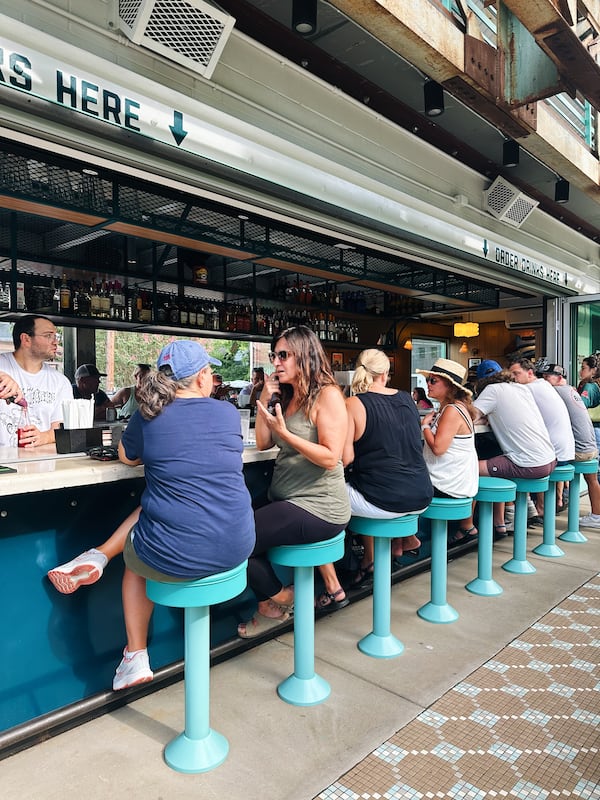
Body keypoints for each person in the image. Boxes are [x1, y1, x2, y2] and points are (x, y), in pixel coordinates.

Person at [109, 340, 255, 690]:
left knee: (134, 557)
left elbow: (127, 458)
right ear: (202, 377)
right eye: (211, 373)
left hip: (179, 556)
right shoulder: (226, 413)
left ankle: (136, 655)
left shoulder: (149, 415)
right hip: (238, 547)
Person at [237, 326, 350, 637]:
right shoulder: (287, 396)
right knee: (229, 528)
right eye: (275, 356)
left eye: (284, 355)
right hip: (286, 499)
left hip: (320, 506)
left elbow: (330, 456)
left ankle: (277, 600)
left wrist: (286, 434)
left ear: (305, 355)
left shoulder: (327, 395)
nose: (277, 362)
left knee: (235, 539)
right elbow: (261, 443)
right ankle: (276, 599)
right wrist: (263, 396)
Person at [322, 349, 433, 595]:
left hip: (384, 500)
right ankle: (381, 553)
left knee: (323, 498)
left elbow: (346, 457)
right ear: (385, 373)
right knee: (371, 485)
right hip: (422, 496)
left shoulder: (353, 403)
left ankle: (335, 580)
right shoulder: (406, 398)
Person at [471, 359, 556, 534]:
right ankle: (509, 516)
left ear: (480, 382)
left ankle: (467, 526)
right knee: (500, 462)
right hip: (550, 458)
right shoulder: (520, 388)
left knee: (469, 468)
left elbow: (467, 417)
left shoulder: (491, 390)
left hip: (530, 464)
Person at [415, 358, 479, 540]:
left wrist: (425, 426)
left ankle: (407, 540)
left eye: (433, 380)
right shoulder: (452, 408)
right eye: (428, 379)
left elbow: (438, 448)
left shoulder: (452, 410)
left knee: (400, 484)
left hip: (449, 484)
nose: (427, 383)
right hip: (456, 480)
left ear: (450, 386)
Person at [509, 356, 575, 518]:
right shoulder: (543, 385)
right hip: (565, 450)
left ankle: (533, 510)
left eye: (516, 373)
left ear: (530, 373)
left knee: (512, 462)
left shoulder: (528, 389)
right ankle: (534, 506)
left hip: (555, 454)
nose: (513, 378)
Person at [538, 361, 600, 527]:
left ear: (559, 378)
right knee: (592, 479)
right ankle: (596, 515)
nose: (543, 381)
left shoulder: (555, 392)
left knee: (541, 464)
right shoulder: (570, 390)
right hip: (591, 447)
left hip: (578, 450)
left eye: (547, 377)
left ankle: (543, 509)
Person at [0, 315, 73, 447]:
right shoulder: (2, 365)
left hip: (39, 461)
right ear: (26, 339)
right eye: (48, 336)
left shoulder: (60, 382)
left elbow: (63, 428)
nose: (55, 342)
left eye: (56, 336)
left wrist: (44, 437)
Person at [577, 355, 600, 454]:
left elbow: (580, 407)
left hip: (593, 428)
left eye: (583, 368)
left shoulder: (589, 387)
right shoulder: (594, 385)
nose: (580, 371)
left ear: (593, 370)